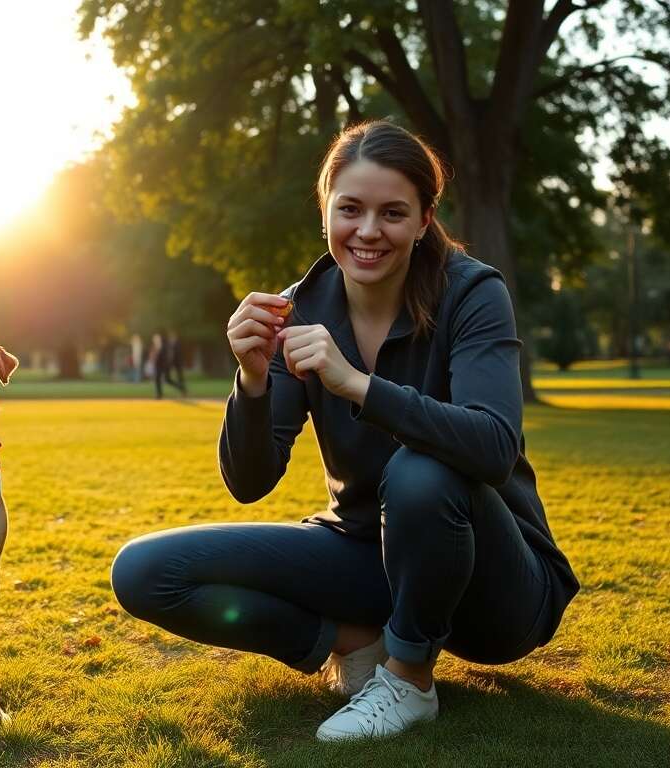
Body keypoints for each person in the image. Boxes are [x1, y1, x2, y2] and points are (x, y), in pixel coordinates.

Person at [109, 120, 577, 740]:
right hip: (368, 556)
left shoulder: (473, 292)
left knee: (421, 468)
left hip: (497, 588)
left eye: (392, 213)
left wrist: (356, 383)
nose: (368, 231)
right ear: (325, 206)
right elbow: (250, 482)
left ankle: (408, 683)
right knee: (145, 572)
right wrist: (251, 380)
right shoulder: (297, 306)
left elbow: (493, 446)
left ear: (424, 217)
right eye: (349, 209)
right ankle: (363, 644)